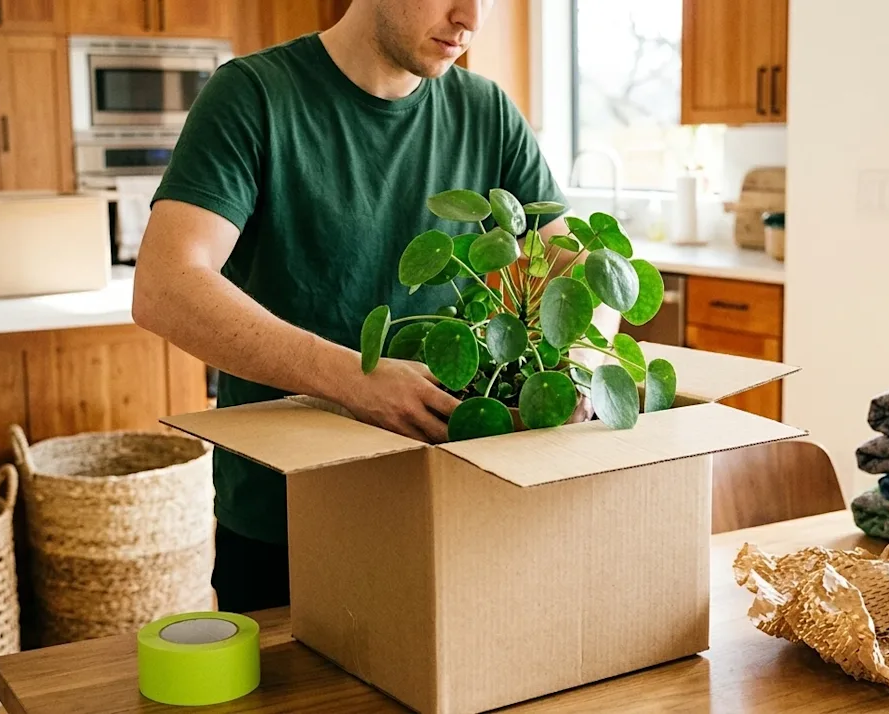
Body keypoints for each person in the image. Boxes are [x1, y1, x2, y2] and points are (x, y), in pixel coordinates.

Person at [132, 0, 586, 614]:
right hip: (286, 511)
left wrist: (579, 356)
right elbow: (166, 285)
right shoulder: (254, 94)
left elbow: (566, 258)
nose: (470, 19)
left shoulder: (485, 110)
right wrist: (355, 380)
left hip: (447, 496)